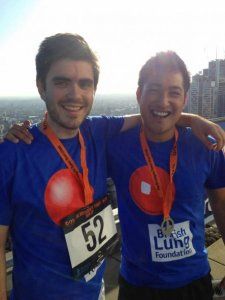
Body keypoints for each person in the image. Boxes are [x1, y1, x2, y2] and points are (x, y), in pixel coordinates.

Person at [2, 35, 225, 300]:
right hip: (120, 286)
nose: (75, 94)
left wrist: (192, 120)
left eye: (85, 83)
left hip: (108, 290)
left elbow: (157, 116)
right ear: (41, 87)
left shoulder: (100, 133)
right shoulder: (14, 153)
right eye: (62, 82)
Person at [107, 51, 225, 300]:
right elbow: (74, 131)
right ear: (139, 94)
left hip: (193, 281)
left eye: (174, 92)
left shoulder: (204, 145)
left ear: (184, 98)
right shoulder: (115, 145)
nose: (163, 101)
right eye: (154, 90)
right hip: (137, 285)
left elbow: (222, 205)